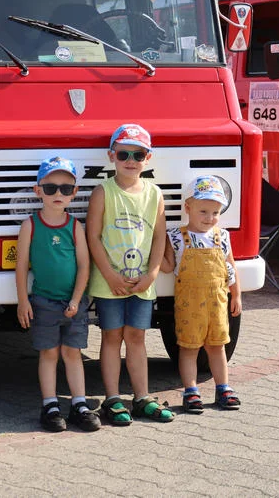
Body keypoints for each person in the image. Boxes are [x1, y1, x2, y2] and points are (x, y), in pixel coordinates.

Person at [86, 123, 173, 425]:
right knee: (111, 337)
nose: (131, 160)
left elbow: (160, 237)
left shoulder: (155, 194)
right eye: (124, 153)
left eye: (138, 154)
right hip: (109, 283)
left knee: (136, 337)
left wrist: (152, 274)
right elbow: (93, 237)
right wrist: (109, 275)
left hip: (142, 284)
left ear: (148, 158)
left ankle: (141, 397)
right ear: (112, 156)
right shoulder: (103, 193)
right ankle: (112, 398)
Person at [15, 156, 100, 433]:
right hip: (43, 302)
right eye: (50, 188)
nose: (58, 194)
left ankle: (79, 404)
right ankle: (50, 405)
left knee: (72, 352)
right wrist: (23, 300)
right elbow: (21, 266)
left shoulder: (75, 226)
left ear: (75, 192)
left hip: (73, 303)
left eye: (65, 188)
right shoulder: (30, 225)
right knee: (49, 353)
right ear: (37, 190)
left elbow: (85, 266)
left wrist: (77, 300)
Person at [163, 175, 242, 413]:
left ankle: (223, 388)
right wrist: (153, 251)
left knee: (217, 347)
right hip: (189, 305)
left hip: (217, 303)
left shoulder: (222, 236)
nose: (210, 218)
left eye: (215, 212)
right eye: (204, 211)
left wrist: (236, 295)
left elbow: (230, 268)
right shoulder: (177, 236)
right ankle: (190, 391)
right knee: (189, 347)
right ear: (188, 208)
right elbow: (167, 266)